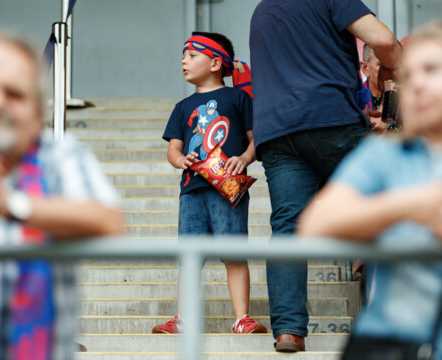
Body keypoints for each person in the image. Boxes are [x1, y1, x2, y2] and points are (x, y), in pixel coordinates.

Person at [0, 28, 124, 360]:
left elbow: (108, 220)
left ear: (37, 112)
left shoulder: (60, 154)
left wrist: (8, 203)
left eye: (14, 94)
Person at [249, 0, 401, 352]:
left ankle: (288, 331)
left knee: (288, 227)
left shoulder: (263, 10)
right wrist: (398, 72)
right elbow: (383, 40)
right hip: (329, 118)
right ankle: (384, 321)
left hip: (276, 130)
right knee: (383, 212)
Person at [298, 21, 442, 359]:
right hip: (393, 340)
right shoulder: (385, 154)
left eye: (432, 70)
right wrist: (410, 205)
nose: (417, 84)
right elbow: (315, 224)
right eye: (410, 75)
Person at [153, 32, 267, 335]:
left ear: (215, 61)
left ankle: (242, 318)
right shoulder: (182, 106)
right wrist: (180, 161)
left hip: (228, 189)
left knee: (233, 252)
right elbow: (173, 149)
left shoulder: (239, 98)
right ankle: (183, 318)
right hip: (191, 190)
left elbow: (256, 142)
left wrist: (244, 158)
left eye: (191, 55)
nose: (183, 61)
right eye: (183, 56)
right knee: (190, 256)